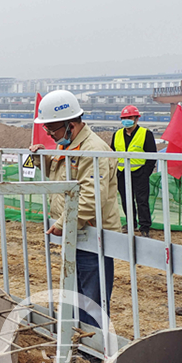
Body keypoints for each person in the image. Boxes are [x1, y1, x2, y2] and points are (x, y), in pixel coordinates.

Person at [29, 89, 119, 329]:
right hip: (76, 232)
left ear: (70, 123)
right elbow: (62, 177)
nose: (48, 133)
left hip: (91, 233)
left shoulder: (93, 149)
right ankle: (80, 341)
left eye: (52, 128)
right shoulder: (68, 146)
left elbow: (91, 197)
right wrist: (42, 159)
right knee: (76, 292)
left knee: (92, 298)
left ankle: (95, 350)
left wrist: (63, 223)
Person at [109, 105, 156, 237]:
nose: (126, 120)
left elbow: (152, 156)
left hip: (139, 172)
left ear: (136, 118)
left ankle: (144, 226)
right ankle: (131, 223)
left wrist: (145, 173)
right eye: (124, 118)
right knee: (125, 199)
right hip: (122, 172)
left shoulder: (146, 134)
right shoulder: (117, 134)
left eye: (129, 117)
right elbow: (113, 153)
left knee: (142, 200)